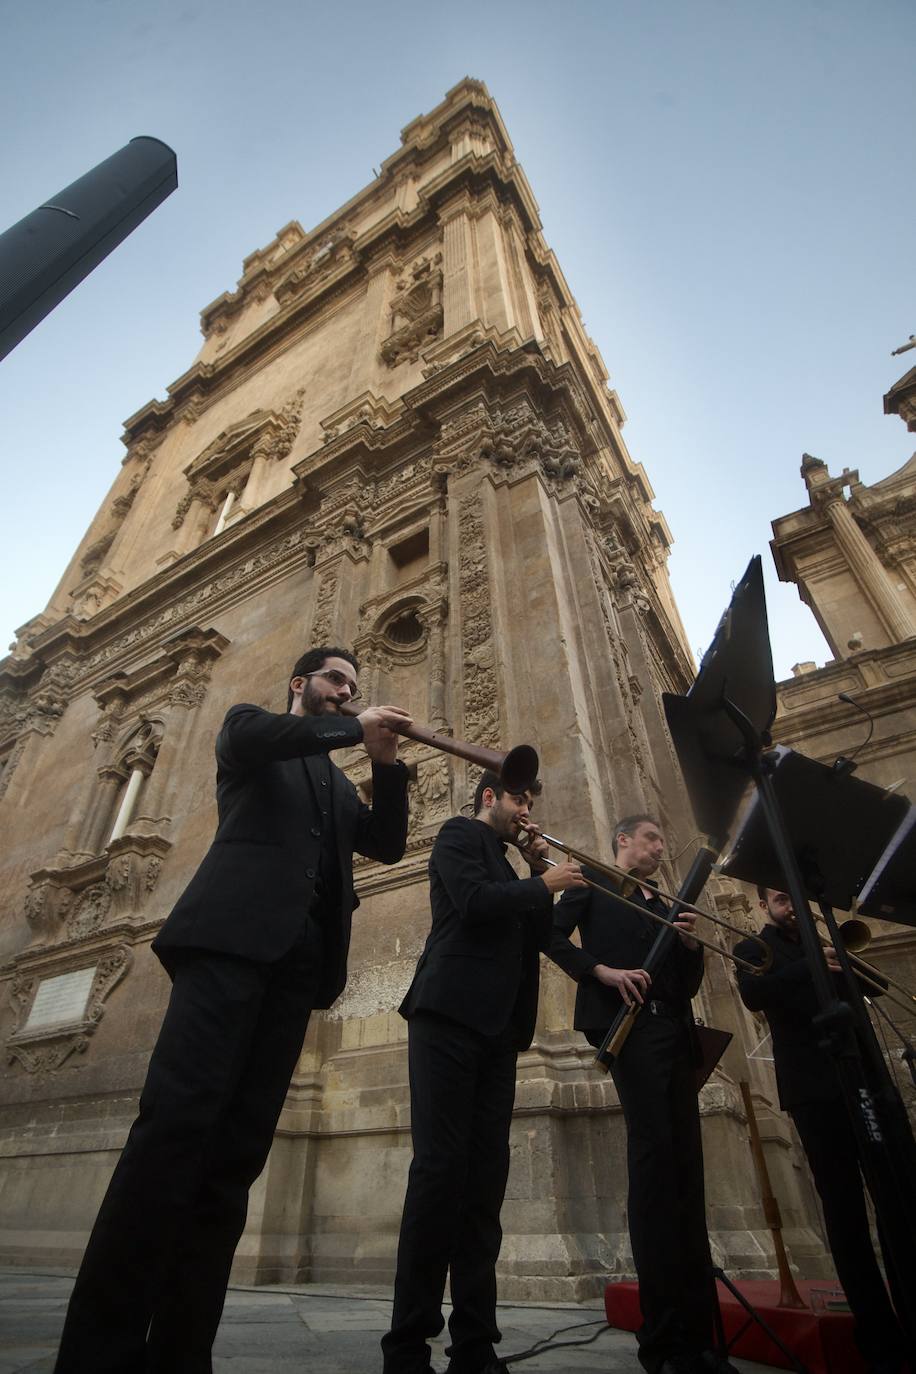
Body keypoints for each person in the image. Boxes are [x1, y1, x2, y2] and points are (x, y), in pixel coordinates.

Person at [55, 647, 411, 1374]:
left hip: (297, 970)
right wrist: (353, 729)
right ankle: (99, 1354)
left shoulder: (339, 793)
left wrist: (385, 763)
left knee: (234, 1160)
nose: (345, 690)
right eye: (334, 679)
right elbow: (260, 738)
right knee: (174, 1135)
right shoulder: (251, 730)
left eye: (353, 685)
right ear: (300, 685)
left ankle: (182, 1354)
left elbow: (389, 841)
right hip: (226, 947)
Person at [381, 768, 586, 1374]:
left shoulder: (510, 864)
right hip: (447, 1016)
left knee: (484, 1186)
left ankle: (475, 1343)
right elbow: (471, 904)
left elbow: (541, 935)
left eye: (531, 803)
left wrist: (543, 874)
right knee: (440, 1173)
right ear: (490, 798)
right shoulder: (457, 835)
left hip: (498, 1032)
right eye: (520, 799)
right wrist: (543, 879)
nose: (527, 811)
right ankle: (407, 1346)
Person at [549, 814, 723, 1374]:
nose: (660, 847)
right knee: (654, 1167)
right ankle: (664, 1339)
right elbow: (549, 936)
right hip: (632, 1030)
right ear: (624, 839)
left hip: (677, 1033)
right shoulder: (594, 882)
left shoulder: (667, 903)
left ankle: (703, 1338)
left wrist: (691, 946)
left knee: (686, 1172)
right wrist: (598, 970)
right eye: (652, 837)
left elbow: (686, 985)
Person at [735, 888, 910, 1374]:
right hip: (814, 1088)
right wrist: (813, 961)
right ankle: (876, 1330)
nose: (789, 905)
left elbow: (873, 989)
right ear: (761, 907)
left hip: (864, 1079)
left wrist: (836, 952)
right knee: (844, 1208)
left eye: (794, 898)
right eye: (778, 899)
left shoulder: (829, 939)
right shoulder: (755, 948)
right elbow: (755, 994)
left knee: (896, 1194)